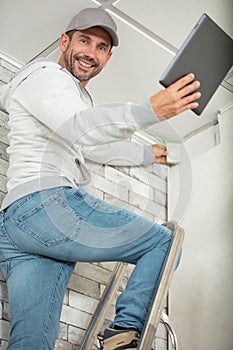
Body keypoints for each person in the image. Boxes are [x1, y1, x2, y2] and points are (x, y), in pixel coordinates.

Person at [0, 7, 201, 350]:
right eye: (84, 40)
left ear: (108, 57)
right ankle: (122, 335)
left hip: (20, 229)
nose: (90, 53)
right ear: (64, 41)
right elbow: (80, 126)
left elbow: (94, 148)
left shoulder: (68, 98)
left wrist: (149, 154)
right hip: (44, 207)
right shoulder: (46, 76)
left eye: (101, 47)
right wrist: (149, 110)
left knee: (32, 343)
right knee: (163, 244)